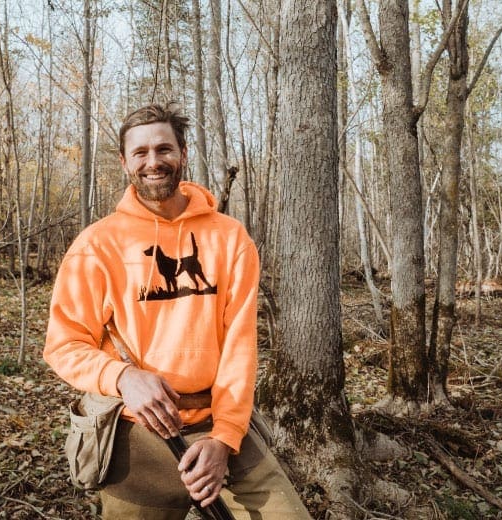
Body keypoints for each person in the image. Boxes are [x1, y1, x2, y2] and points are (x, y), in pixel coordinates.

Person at [44, 103, 309, 519]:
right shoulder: (97, 245)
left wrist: (224, 439)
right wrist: (123, 376)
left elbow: (240, 349)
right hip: (137, 430)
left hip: (222, 422)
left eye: (165, 149)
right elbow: (64, 345)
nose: (154, 162)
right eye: (141, 152)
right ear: (124, 161)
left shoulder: (229, 238)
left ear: (182, 153)